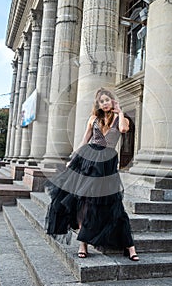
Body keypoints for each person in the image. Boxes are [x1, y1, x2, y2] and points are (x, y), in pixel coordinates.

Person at [45, 88, 139, 261]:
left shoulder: (121, 118)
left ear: (112, 101)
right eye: (101, 101)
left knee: (113, 204)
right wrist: (73, 158)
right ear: (98, 104)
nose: (104, 103)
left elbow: (124, 130)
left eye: (106, 100)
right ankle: (83, 243)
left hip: (107, 164)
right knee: (83, 201)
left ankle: (130, 246)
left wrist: (120, 111)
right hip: (88, 160)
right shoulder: (93, 118)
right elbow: (84, 140)